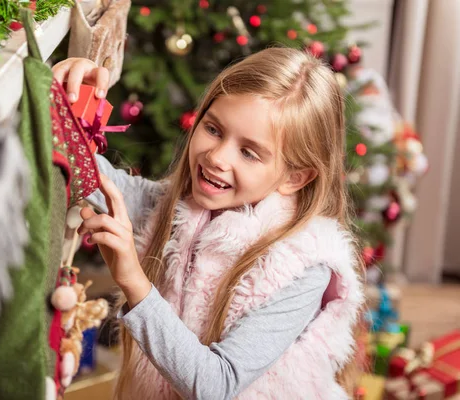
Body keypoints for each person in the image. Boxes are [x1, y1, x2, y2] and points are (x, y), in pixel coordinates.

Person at [52, 47, 364, 400]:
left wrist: (134, 282)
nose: (216, 157)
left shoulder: (302, 268)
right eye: (213, 129)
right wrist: (62, 94)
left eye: (249, 152)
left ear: (294, 177)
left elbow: (217, 385)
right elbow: (79, 165)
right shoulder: (169, 209)